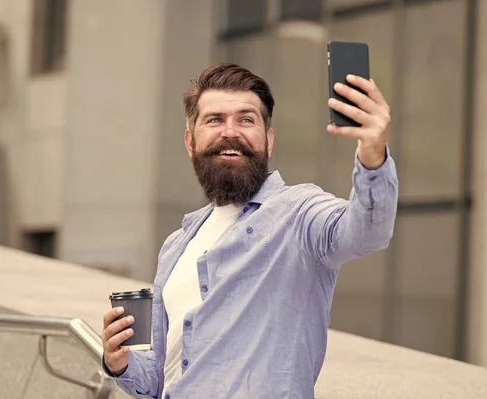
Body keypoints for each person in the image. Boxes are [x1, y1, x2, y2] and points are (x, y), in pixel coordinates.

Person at [101, 62, 398, 399]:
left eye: (246, 119)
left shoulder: (300, 213)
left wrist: (373, 154)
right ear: (190, 142)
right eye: (214, 120)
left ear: (268, 140)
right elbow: (159, 376)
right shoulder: (176, 244)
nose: (230, 132)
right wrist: (121, 362)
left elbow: (366, 232)